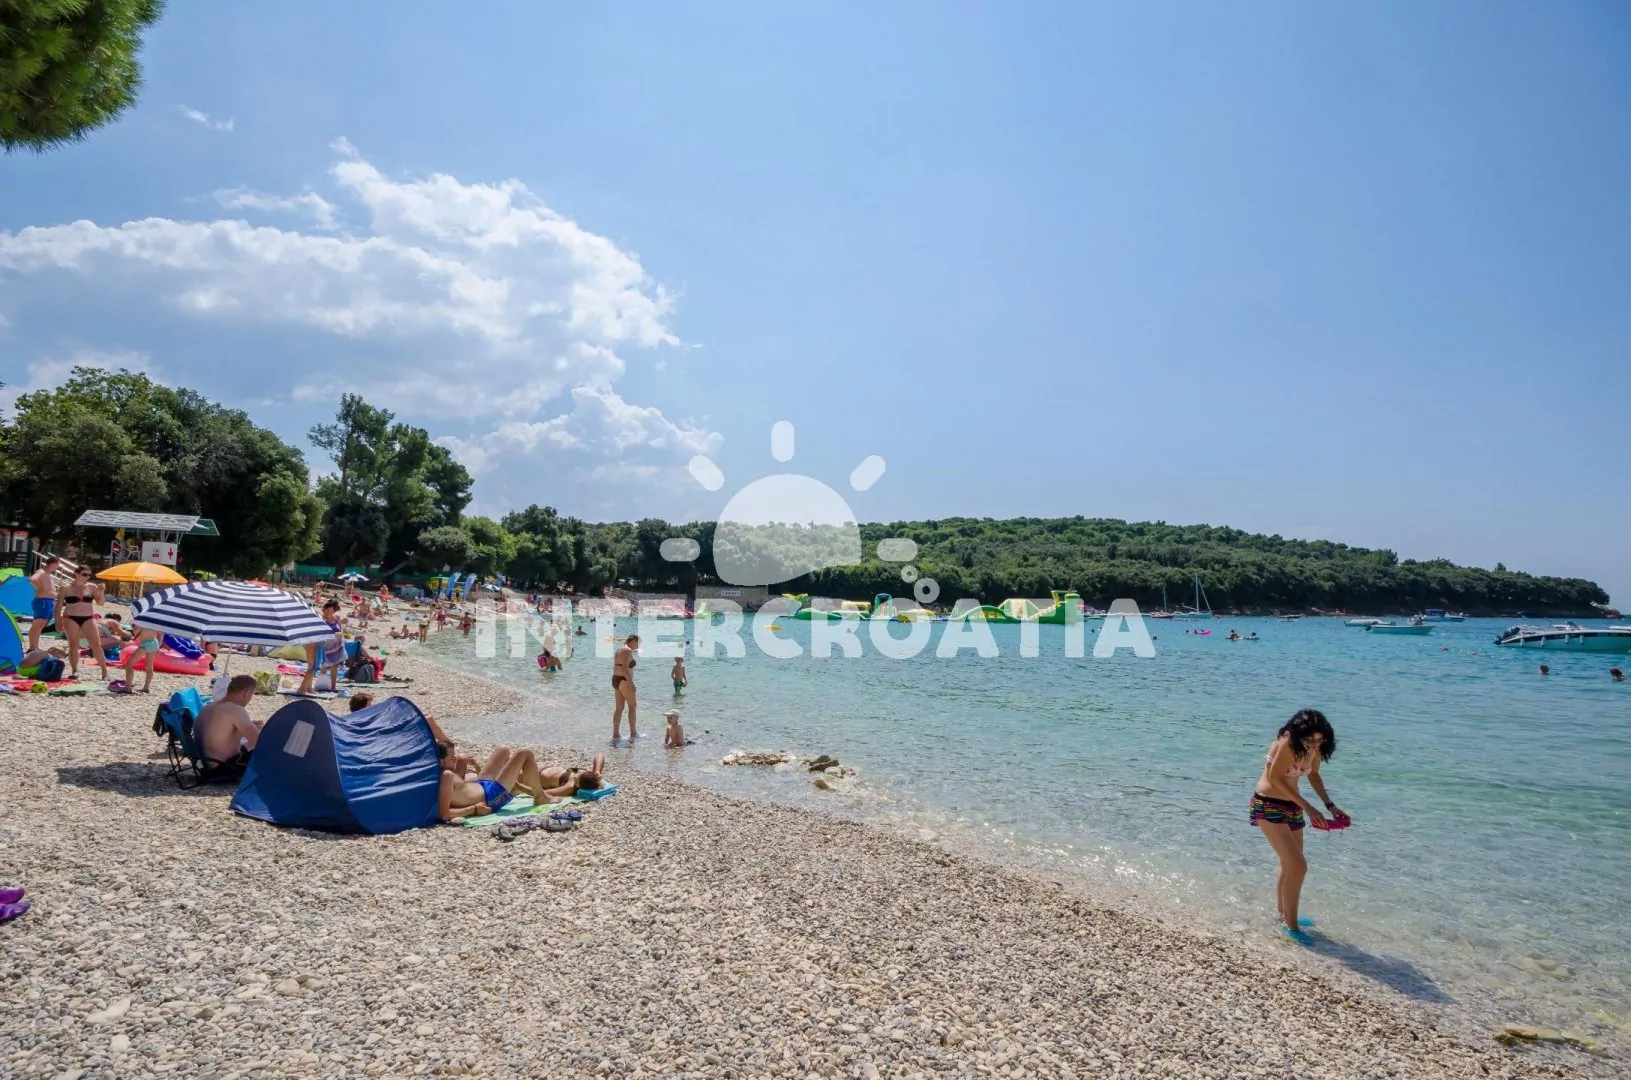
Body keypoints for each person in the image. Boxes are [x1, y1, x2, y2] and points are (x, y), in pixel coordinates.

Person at [1249, 708, 1344, 942]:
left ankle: (1283, 916)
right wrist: (1309, 808)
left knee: (1290, 864)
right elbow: (1276, 778)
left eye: (1320, 740)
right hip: (1268, 804)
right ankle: (1292, 927)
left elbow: (1314, 776)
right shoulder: (1287, 743)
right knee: (1298, 865)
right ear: (1299, 733)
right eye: (1311, 740)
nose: (1315, 745)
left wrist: (1330, 806)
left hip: (1292, 806)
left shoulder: (1314, 748)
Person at [436, 745, 554, 821]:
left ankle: (514, 786)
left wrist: (464, 763)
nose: (455, 759)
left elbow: (459, 789)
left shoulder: (446, 773)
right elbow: (445, 814)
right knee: (524, 752)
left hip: (481, 784)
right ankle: (540, 797)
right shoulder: (446, 776)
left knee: (503, 749)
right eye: (452, 758)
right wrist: (474, 809)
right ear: (441, 760)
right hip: (489, 798)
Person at [196, 675, 263, 769]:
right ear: (246, 693)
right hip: (224, 768)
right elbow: (259, 742)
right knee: (267, 747)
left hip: (204, 766)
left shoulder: (207, 707)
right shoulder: (236, 710)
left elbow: (221, 730)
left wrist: (251, 725)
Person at [57, 566, 107, 680]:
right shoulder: (66, 587)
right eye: (85, 574)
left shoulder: (92, 587)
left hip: (88, 618)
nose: (87, 577)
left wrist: (101, 591)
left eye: (89, 575)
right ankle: (74, 670)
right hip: (70, 617)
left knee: (96, 645)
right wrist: (57, 620)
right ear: (76, 573)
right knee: (73, 645)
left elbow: (100, 603)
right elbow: (59, 605)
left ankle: (104, 671)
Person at [26, 556, 60, 652]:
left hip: (47, 601)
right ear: (53, 563)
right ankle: (32, 648)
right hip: (42, 601)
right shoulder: (41, 572)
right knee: (38, 624)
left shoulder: (48, 574)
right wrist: (40, 588)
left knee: (42, 624)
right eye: (57, 564)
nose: (57, 567)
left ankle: (35, 647)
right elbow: (32, 580)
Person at [612, 633, 639, 742]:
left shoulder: (619, 650)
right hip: (624, 680)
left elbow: (617, 666)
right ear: (633, 641)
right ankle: (633, 734)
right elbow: (624, 668)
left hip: (616, 679)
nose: (638, 646)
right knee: (632, 706)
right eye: (637, 643)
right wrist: (631, 683)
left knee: (619, 708)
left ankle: (616, 735)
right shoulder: (627, 650)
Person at [120, 625, 162, 694]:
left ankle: (127, 687)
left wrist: (124, 633)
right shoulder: (154, 622)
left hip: (145, 644)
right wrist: (159, 646)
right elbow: (160, 633)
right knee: (149, 667)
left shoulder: (142, 623)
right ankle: (146, 688)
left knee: (129, 665)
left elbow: (133, 634)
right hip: (154, 642)